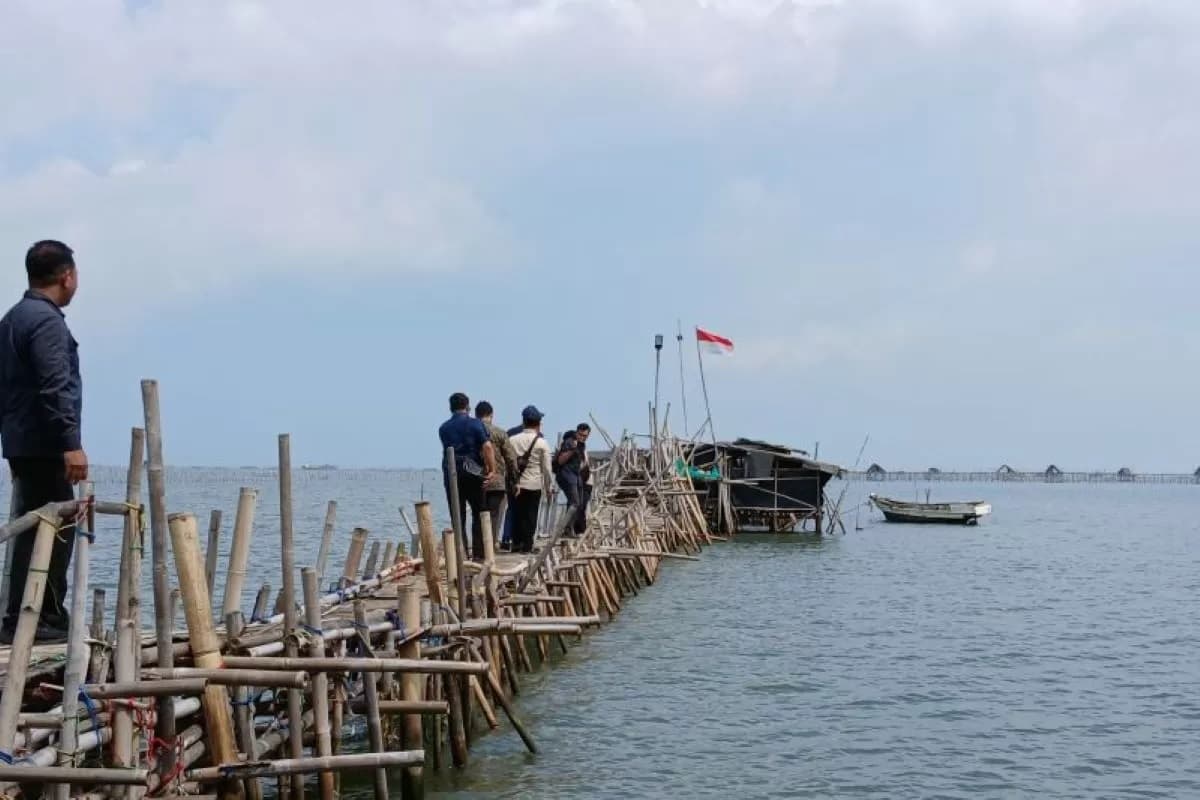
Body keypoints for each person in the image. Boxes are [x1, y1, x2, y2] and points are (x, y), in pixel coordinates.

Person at [0, 240, 86, 644]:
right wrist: (71, 443)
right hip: (44, 444)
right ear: (67, 276)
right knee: (55, 530)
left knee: (32, 531)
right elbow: (55, 388)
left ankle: (20, 615)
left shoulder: (14, 318)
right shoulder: (46, 322)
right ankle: (43, 618)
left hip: (21, 442)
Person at [438, 392, 496, 561]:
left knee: (457, 514)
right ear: (468, 406)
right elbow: (487, 447)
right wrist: (491, 469)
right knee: (479, 511)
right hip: (472, 470)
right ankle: (479, 554)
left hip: (451, 471)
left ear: (450, 408)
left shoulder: (443, 428)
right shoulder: (476, 424)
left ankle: (460, 553)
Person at [507, 406, 553, 553]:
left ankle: (516, 543)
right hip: (534, 484)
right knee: (531, 515)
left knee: (516, 513)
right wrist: (548, 486)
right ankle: (527, 545)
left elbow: (508, 463)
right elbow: (546, 468)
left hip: (516, 484)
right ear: (538, 423)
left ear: (524, 421)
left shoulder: (512, 440)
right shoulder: (542, 443)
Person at [475, 401, 516, 548]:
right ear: (491, 415)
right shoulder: (500, 433)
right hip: (497, 481)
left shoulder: (472, 431)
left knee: (477, 516)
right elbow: (511, 458)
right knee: (494, 516)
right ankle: (490, 548)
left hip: (476, 481)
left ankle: (478, 549)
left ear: (476, 415)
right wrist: (513, 479)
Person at [554, 422, 591, 536]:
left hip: (576, 476)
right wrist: (572, 449)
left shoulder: (582, 445)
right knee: (575, 502)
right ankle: (564, 529)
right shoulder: (570, 442)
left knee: (577, 503)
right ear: (577, 432)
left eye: (585, 436)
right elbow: (560, 460)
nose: (582, 437)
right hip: (566, 475)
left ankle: (569, 529)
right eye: (580, 435)